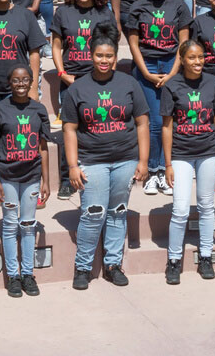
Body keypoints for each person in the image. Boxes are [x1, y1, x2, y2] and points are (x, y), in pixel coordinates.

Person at [62, 35, 150, 289]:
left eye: (109, 56)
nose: (104, 60)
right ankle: (83, 267)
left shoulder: (129, 83)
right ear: (91, 56)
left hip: (125, 159)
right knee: (93, 214)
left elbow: (143, 122)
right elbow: (69, 129)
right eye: (99, 55)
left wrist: (143, 160)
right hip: (92, 160)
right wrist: (72, 166)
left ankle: (113, 265)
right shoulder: (78, 88)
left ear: (114, 58)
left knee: (118, 213)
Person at [160, 38, 215, 283]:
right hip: (180, 153)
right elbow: (167, 127)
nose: (197, 62)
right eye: (192, 57)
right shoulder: (172, 85)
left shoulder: (213, 83)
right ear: (182, 59)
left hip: (208, 151)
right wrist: (167, 163)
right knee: (180, 209)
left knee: (206, 206)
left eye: (201, 57)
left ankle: (206, 256)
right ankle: (174, 259)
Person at [0, 63, 51, 297]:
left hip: (32, 175)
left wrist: (46, 179)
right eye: (16, 80)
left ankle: (28, 274)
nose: (21, 84)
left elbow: (43, 147)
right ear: (9, 83)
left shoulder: (39, 110)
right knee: (10, 224)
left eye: (25, 80)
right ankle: (13, 276)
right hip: (8, 176)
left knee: (28, 224)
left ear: (32, 81)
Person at [127, 0, 191, 195]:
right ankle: (154, 171)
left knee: (169, 119)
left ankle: (167, 170)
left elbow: (183, 42)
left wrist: (174, 71)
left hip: (172, 64)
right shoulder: (138, 6)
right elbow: (133, 42)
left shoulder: (179, 5)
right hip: (147, 66)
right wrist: (145, 72)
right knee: (154, 121)